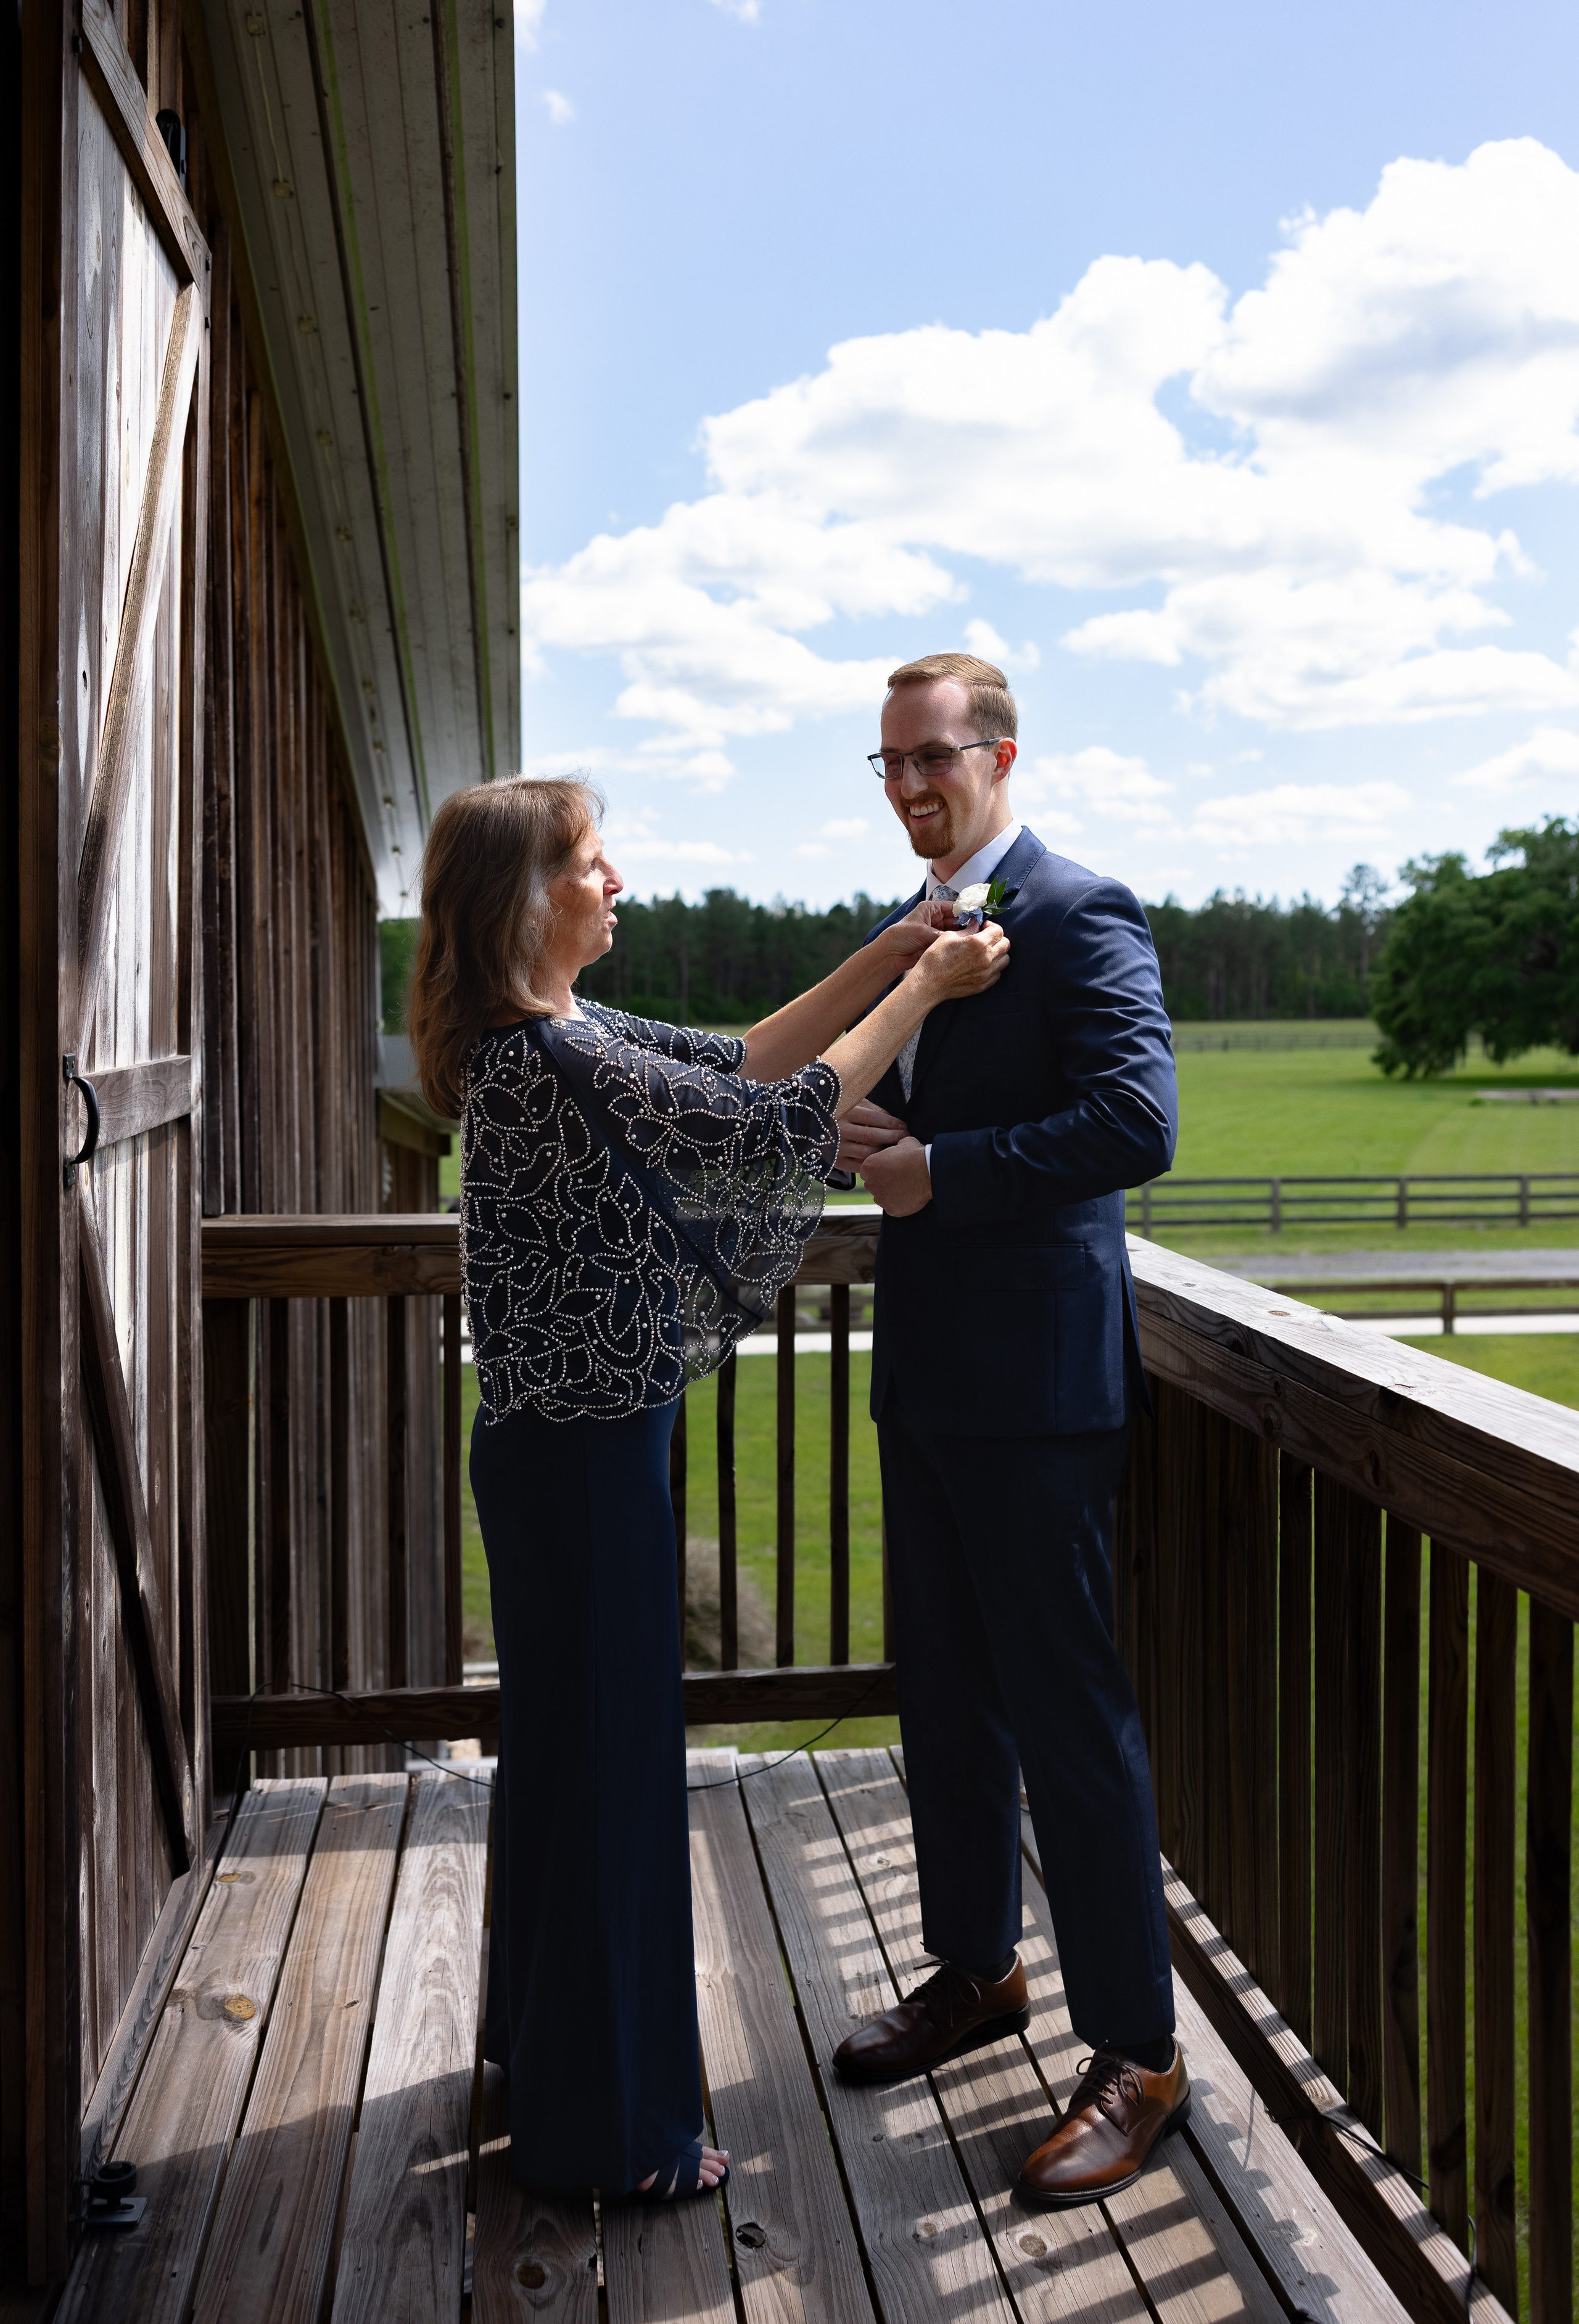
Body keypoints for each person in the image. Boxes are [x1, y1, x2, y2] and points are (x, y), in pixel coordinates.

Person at [406, 774, 1007, 2203]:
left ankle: (547, 2058)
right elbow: (775, 1122)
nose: (620, 884)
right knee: (610, 1778)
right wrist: (924, 988)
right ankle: (616, 2139)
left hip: (558, 1452)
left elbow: (740, 1062)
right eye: (595, 866)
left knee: (567, 1764)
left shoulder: (551, 1032)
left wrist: (880, 954)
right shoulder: (551, 1059)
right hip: (584, 1465)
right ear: (528, 900)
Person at [830, 653, 1186, 2209]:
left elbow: (1136, 1123)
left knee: (1068, 1719)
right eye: (888, 762)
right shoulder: (915, 926)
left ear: (1000, 754)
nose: (911, 785)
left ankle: (1138, 2052)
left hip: (1039, 1396)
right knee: (947, 1703)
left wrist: (935, 1171)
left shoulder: (1079, 909)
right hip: (927, 1376)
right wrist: (869, 1145)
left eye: (933, 758)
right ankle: (975, 1971)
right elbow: (909, 1121)